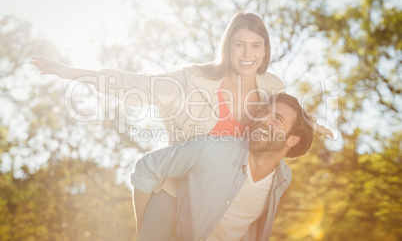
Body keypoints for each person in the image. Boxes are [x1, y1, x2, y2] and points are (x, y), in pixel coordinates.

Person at [31, 12, 332, 238]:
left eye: (256, 46)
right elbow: (133, 84)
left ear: (265, 51)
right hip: (176, 188)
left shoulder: (271, 86)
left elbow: (288, 116)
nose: (247, 54)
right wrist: (68, 72)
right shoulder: (190, 82)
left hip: (220, 196)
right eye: (239, 44)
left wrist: (311, 124)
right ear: (227, 48)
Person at [131, 93, 315, 240]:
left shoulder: (283, 178)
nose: (264, 119)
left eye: (277, 119)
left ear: (292, 140)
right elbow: (146, 168)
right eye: (263, 112)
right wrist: (145, 232)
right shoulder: (212, 150)